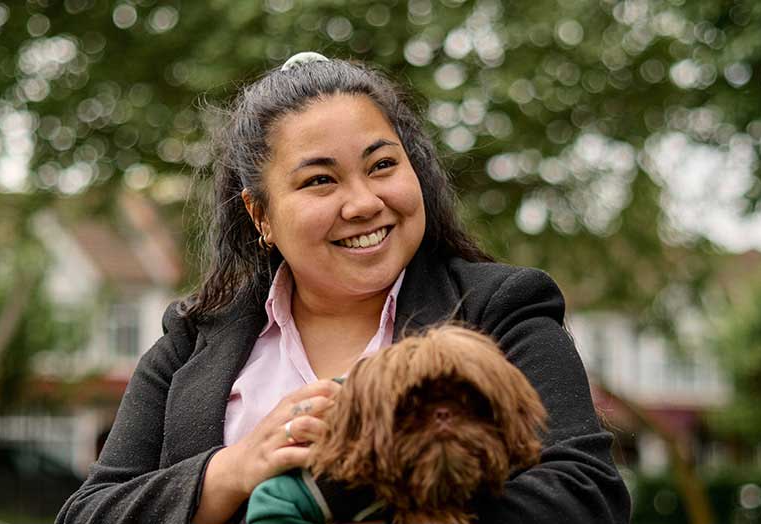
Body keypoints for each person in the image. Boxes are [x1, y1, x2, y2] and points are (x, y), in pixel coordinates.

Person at [56, 53, 631, 524]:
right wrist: (235, 468)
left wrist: (359, 500)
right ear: (261, 215)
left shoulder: (503, 309)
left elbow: (586, 498)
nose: (362, 203)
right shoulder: (190, 340)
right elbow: (89, 512)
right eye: (320, 180)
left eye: (382, 166)